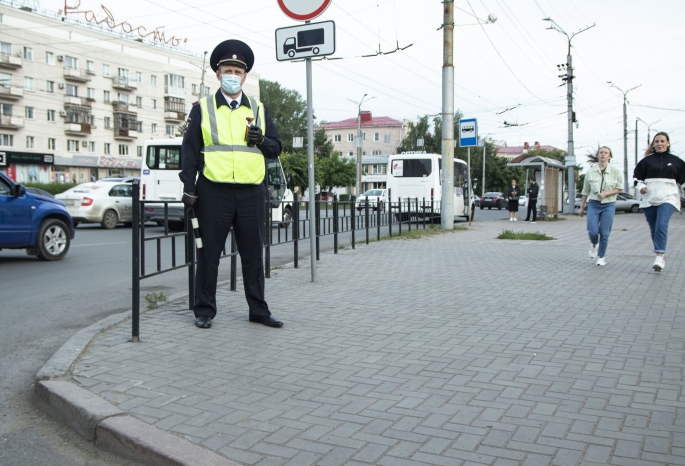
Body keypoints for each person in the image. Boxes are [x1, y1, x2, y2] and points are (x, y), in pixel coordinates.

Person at [180, 39, 284, 329]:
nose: (233, 75)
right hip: (214, 190)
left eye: (238, 72)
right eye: (228, 70)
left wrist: (262, 140)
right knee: (209, 254)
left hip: (252, 191)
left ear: (245, 76)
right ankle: (203, 310)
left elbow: (276, 147)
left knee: (253, 255)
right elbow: (188, 153)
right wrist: (189, 188)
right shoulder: (202, 108)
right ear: (217, 74)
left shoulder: (259, 109)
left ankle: (259, 311)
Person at [633, 132, 685, 272]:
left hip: (668, 198)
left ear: (668, 143)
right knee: (654, 228)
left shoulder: (676, 161)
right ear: (653, 144)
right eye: (657, 141)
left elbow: (683, 181)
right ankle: (659, 250)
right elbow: (637, 179)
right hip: (649, 199)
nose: (660, 144)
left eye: (662, 141)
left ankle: (659, 256)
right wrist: (641, 187)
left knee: (662, 225)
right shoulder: (646, 161)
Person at [578, 146, 623, 266]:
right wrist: (582, 207)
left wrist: (606, 193)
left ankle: (601, 257)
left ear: (610, 156)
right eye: (601, 152)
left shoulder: (615, 171)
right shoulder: (590, 172)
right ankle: (594, 244)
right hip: (593, 204)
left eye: (606, 153)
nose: (603, 154)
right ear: (598, 155)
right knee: (592, 231)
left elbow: (619, 188)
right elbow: (585, 191)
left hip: (609, 204)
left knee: (604, 232)